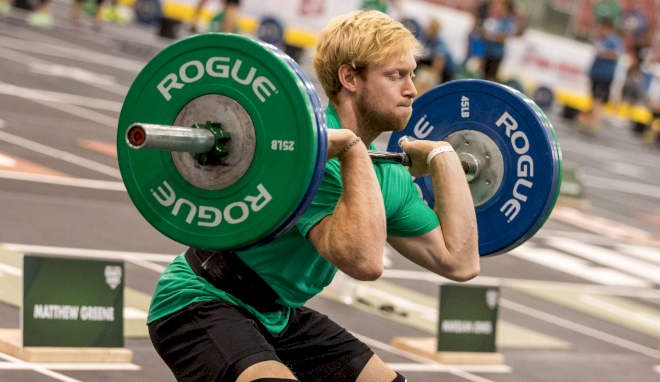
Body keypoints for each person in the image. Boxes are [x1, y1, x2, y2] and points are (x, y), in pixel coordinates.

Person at [147, 10, 479, 382]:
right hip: (202, 299)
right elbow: (365, 264)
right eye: (395, 75)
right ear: (350, 78)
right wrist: (353, 150)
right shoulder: (305, 160)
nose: (412, 89)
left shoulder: (389, 177)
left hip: (280, 314)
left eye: (412, 75)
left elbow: (460, 262)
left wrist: (444, 157)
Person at [579, 18, 623, 132]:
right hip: (597, 74)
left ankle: (595, 124)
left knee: (598, 99)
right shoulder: (601, 40)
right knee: (594, 99)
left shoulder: (613, 41)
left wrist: (603, 53)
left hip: (605, 75)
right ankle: (591, 121)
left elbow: (615, 55)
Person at [481, 0, 517, 82]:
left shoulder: (508, 21)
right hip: (488, 51)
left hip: (497, 53)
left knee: (491, 76)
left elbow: (505, 37)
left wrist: (492, 36)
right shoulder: (497, 19)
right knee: (483, 75)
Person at [416, 18, 456, 89]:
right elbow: (419, 55)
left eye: (429, 27)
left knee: (441, 87)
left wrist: (431, 80)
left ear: (434, 29)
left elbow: (439, 64)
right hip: (431, 60)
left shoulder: (440, 44)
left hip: (447, 70)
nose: (426, 28)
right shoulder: (426, 38)